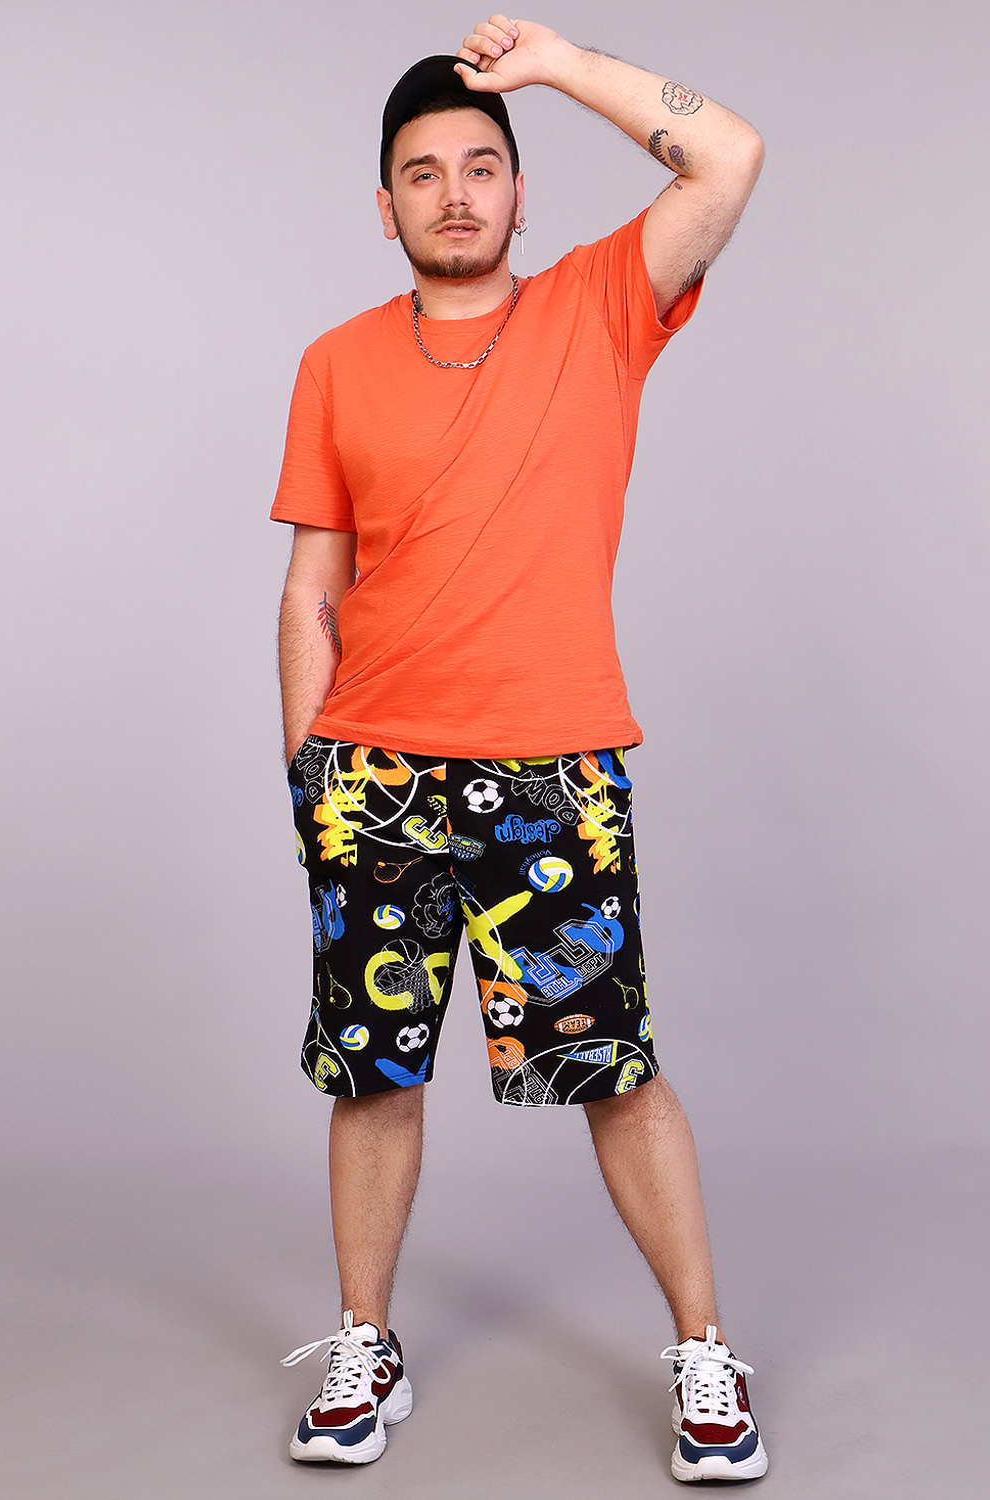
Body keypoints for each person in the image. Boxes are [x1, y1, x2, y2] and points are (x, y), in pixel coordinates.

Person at [271, 14, 766, 1484]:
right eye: (424, 174)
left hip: (551, 769)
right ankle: (364, 1345)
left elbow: (727, 155)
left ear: (520, 190)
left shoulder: (600, 306)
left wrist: (551, 63)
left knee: (612, 1068)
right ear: (386, 206)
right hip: (372, 773)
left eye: (482, 166)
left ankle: (705, 1355)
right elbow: (311, 584)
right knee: (372, 1075)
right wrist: (309, 771)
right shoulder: (336, 363)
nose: (456, 194)